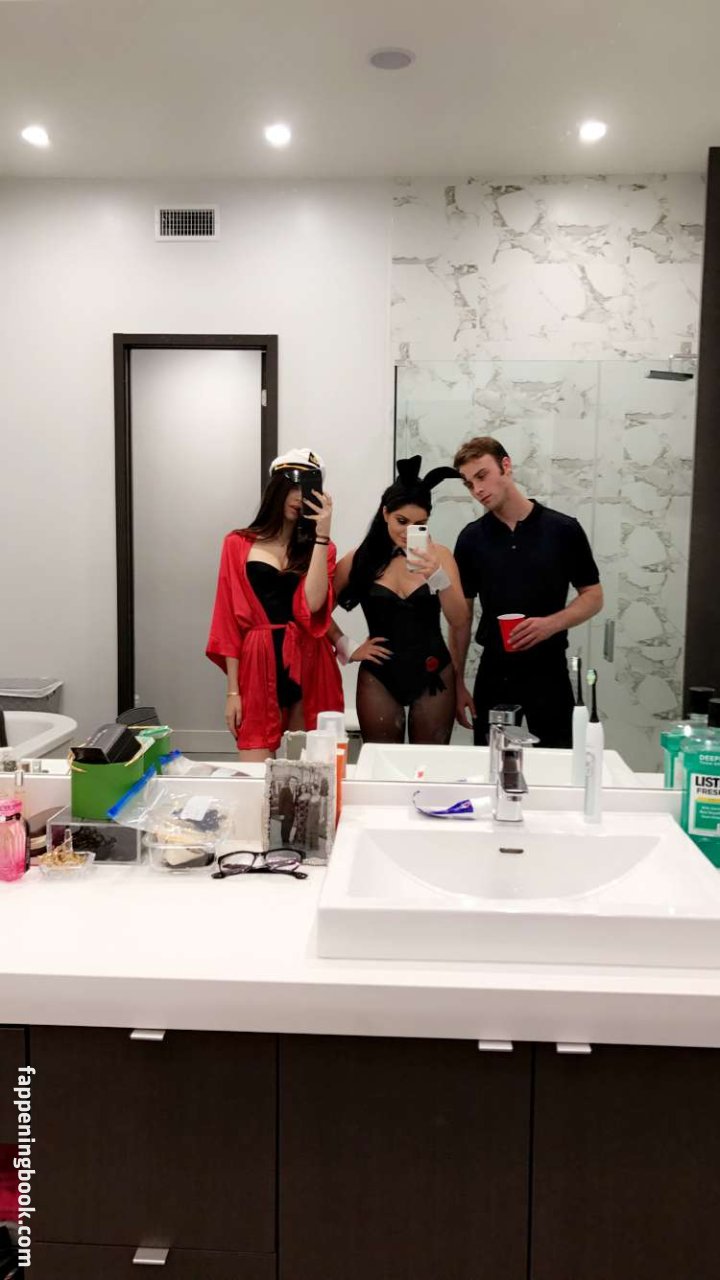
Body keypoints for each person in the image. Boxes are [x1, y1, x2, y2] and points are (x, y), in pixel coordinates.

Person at [451, 436, 603, 748]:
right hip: (494, 672)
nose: (477, 489)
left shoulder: (563, 530)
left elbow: (593, 596)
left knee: (559, 764)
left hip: (550, 671)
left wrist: (551, 624)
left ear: (506, 466)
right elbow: (460, 619)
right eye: (469, 483)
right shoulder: (471, 539)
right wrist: (457, 683)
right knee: (492, 764)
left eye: (482, 476)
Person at [206, 448, 344, 761]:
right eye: (292, 486)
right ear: (276, 488)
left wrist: (322, 537)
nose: (298, 496)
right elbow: (227, 621)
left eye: (307, 488)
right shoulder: (237, 543)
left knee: (310, 772)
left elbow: (312, 604)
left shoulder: (322, 548)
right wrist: (232, 692)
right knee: (255, 769)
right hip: (259, 659)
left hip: (310, 658)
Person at [332, 456, 468, 745]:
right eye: (401, 521)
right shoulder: (359, 559)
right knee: (379, 760)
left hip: (434, 672)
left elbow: (459, 620)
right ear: (385, 513)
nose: (408, 532)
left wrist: (437, 575)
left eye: (419, 524)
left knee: (429, 764)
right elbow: (313, 610)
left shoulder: (440, 556)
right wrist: (348, 647)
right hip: (379, 676)